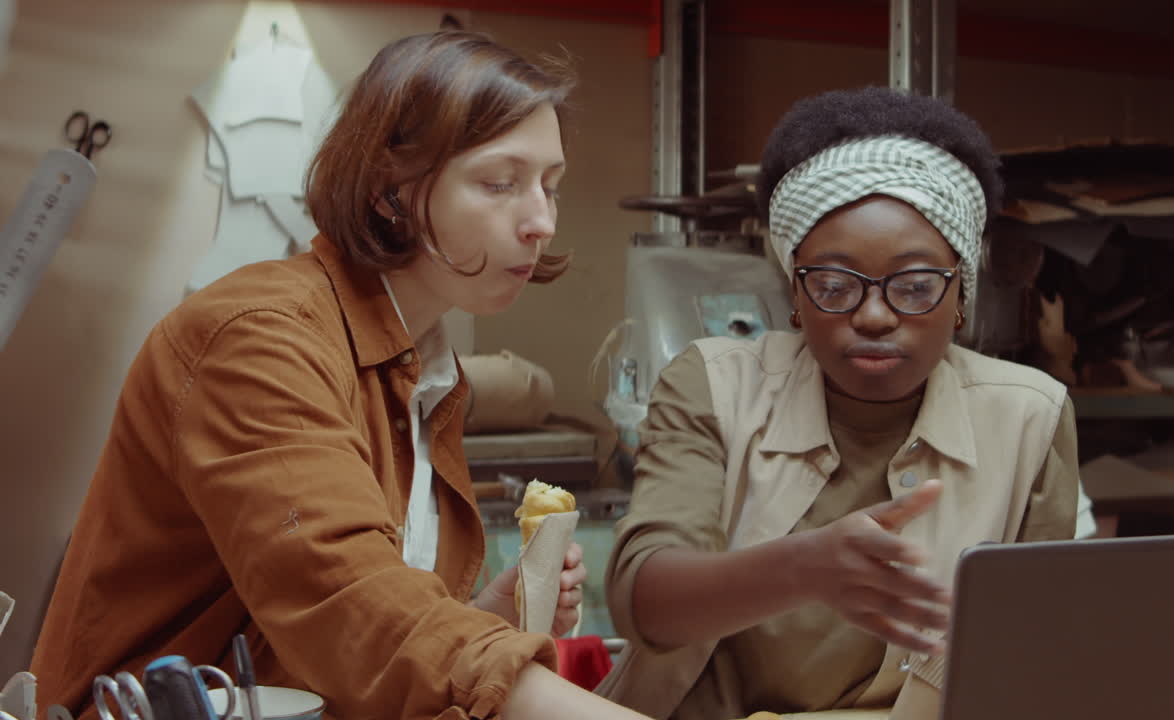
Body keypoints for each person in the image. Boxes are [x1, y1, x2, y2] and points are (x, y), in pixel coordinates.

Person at [32, 32, 650, 720]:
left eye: (550, 186)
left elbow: (367, 644)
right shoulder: (259, 339)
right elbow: (351, 603)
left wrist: (487, 617)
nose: (541, 221)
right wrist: (491, 665)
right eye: (499, 183)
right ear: (389, 191)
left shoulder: (428, 374)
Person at [598, 87, 1080, 720]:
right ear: (795, 296)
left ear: (961, 294)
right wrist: (803, 568)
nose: (874, 316)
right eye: (832, 285)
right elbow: (643, 602)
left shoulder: (1029, 418)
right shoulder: (714, 385)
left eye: (915, 286)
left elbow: (1033, 655)